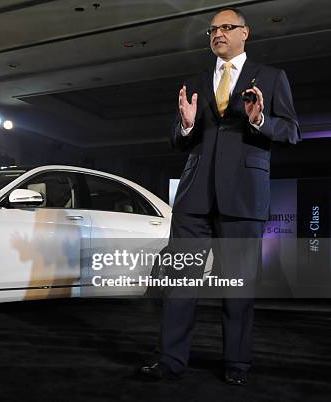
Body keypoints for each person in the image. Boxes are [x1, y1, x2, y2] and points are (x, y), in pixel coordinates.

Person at [139, 7, 300, 385]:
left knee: (238, 290)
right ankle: (171, 359)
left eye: (227, 27)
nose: (218, 34)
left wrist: (260, 120)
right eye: (212, 29)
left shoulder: (273, 78)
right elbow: (176, 140)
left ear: (246, 33)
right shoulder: (194, 80)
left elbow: (292, 132)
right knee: (180, 284)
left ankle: (237, 363)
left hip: (243, 198)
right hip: (194, 198)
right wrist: (187, 124)